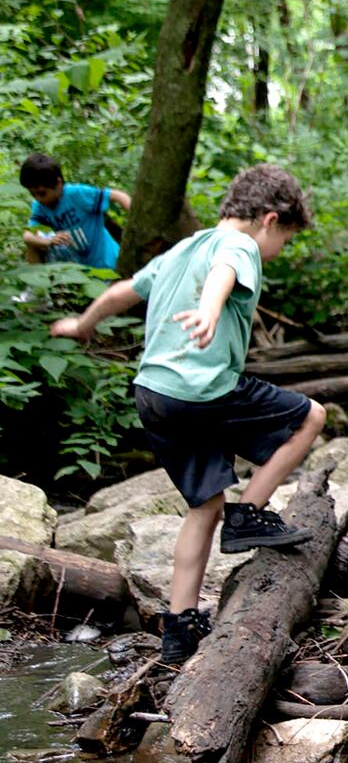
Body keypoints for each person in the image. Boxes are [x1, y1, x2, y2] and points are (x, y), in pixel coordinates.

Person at [50, 165, 327, 665]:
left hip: (153, 393)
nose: (278, 250)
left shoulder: (181, 248)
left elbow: (119, 294)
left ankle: (179, 629)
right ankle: (250, 515)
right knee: (311, 417)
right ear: (269, 219)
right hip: (202, 389)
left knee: (203, 506)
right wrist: (210, 307)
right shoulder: (238, 246)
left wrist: (81, 324)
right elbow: (226, 268)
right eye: (284, 239)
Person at [19, 154, 127, 268]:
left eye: (42, 193)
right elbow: (27, 236)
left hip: (107, 261)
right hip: (79, 266)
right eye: (33, 194)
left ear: (58, 183)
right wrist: (49, 241)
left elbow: (117, 195)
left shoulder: (76, 194)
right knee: (33, 245)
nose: (38, 199)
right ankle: (40, 282)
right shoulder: (40, 207)